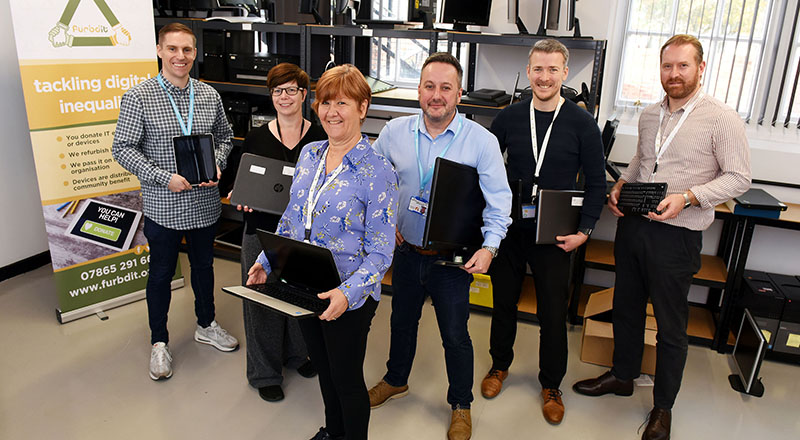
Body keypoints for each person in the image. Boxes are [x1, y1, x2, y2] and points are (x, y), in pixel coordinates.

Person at [572, 34, 751, 440]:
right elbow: (641, 162)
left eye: (683, 66)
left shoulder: (721, 118)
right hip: (634, 227)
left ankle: (662, 408)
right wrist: (621, 188)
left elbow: (739, 177)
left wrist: (688, 197)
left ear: (700, 68)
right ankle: (622, 375)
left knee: (671, 327)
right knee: (627, 308)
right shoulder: (651, 114)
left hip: (677, 236)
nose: (673, 74)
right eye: (667, 66)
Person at [246, 64, 398, 440]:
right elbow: (293, 217)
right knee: (326, 373)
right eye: (326, 102)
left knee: (347, 380)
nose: (332, 111)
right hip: (304, 283)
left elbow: (381, 253)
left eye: (343, 102)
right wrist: (266, 260)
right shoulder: (311, 154)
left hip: (348, 294)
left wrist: (347, 294)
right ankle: (333, 432)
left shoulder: (378, 170)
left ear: (363, 108)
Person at [368, 53, 512, 440]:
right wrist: (384, 225)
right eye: (429, 86)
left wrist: (490, 248)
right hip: (406, 250)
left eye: (445, 88)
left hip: (452, 260)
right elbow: (375, 183)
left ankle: (461, 404)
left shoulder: (482, 142)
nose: (436, 95)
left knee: (455, 334)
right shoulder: (393, 133)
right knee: (401, 321)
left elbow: (500, 202)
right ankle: (396, 379)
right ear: (419, 91)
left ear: (459, 94)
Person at [480, 39, 606, 425]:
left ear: (565, 73)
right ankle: (499, 365)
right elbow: (484, 164)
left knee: (553, 311)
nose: (545, 77)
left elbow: (597, 182)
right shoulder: (509, 117)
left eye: (553, 69)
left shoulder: (583, 123)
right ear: (529, 71)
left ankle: (551, 384)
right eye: (538, 69)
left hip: (557, 232)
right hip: (511, 227)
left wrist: (585, 230)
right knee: (503, 300)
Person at [112, 22, 238, 381]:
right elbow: (122, 148)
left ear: (194, 53)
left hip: (204, 204)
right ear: (159, 50)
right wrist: (162, 177)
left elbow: (226, 138)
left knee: (204, 269)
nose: (180, 56)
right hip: (163, 206)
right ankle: (159, 343)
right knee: (161, 274)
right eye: (172, 49)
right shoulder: (139, 96)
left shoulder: (209, 95)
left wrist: (219, 160)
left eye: (186, 50)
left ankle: (206, 324)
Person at [230, 63, 326, 402]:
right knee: (261, 301)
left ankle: (298, 355)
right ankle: (264, 372)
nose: (283, 97)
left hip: (304, 235)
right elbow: (237, 184)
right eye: (277, 91)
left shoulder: (320, 138)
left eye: (290, 90)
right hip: (260, 231)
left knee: (301, 297)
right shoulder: (256, 137)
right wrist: (241, 200)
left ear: (304, 94)